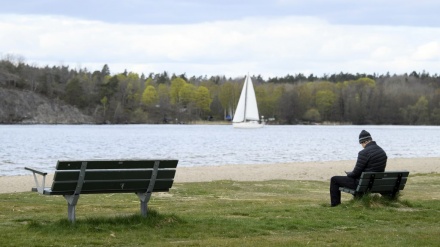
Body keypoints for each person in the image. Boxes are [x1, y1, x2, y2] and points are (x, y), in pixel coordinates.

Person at [329, 130, 388, 207]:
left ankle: (335, 205)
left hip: (364, 184)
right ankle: (359, 201)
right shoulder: (381, 151)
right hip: (375, 183)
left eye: (361, 143)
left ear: (364, 142)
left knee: (334, 179)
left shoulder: (363, 153)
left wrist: (349, 174)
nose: (361, 145)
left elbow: (356, 172)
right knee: (358, 180)